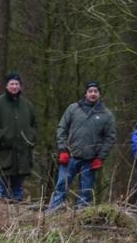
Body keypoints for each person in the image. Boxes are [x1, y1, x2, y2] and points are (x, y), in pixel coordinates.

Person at [46, 81, 116, 213]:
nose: (93, 94)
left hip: (90, 160)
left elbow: (110, 138)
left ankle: (82, 215)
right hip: (70, 156)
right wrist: (63, 149)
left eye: (95, 91)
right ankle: (52, 212)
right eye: (90, 91)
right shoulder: (73, 108)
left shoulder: (106, 115)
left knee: (86, 191)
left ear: (100, 94)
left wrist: (101, 157)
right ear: (85, 93)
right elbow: (62, 128)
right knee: (61, 186)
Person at [0, 72, 37, 202]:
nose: (14, 86)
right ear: (6, 86)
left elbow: (34, 125)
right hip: (4, 151)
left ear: (20, 86)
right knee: (0, 180)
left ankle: (16, 212)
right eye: (12, 84)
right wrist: (2, 135)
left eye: (17, 84)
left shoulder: (27, 105)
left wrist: (31, 138)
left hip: (23, 152)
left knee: (18, 184)